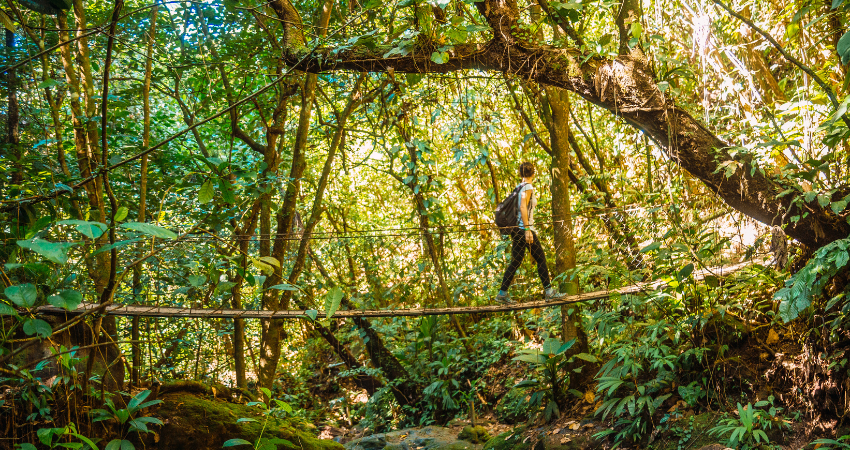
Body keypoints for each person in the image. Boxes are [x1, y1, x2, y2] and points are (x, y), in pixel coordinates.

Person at [495, 161, 567, 304]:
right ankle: (549, 292)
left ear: (520, 174)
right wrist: (527, 229)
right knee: (540, 258)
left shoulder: (519, 187)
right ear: (533, 173)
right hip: (524, 230)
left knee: (515, 262)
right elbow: (523, 207)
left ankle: (502, 293)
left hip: (517, 230)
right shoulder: (527, 187)